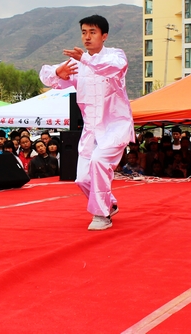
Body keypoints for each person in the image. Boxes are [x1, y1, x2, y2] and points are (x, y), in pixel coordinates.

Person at [39, 14, 134, 231]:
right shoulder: (77, 63)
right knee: (82, 179)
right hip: (91, 129)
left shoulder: (115, 56)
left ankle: (102, 215)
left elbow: (113, 68)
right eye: (84, 32)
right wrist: (58, 72)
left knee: (99, 162)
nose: (87, 37)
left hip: (115, 125)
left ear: (104, 36)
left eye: (92, 32)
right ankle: (109, 204)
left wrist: (85, 60)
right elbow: (47, 75)